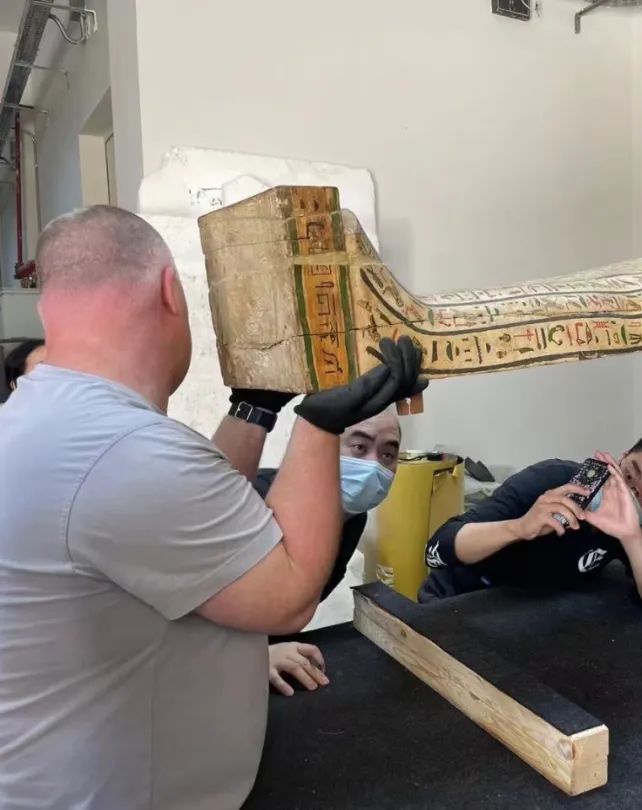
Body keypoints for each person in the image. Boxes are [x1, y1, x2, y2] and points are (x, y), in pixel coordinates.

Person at [0, 205, 425, 809]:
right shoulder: (123, 449)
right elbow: (288, 596)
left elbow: (200, 526)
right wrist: (319, 423)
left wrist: (256, 407)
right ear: (169, 292)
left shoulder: (50, 421)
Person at [212, 391, 401, 696]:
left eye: (388, 455)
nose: (373, 466)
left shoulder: (352, 519)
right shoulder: (257, 500)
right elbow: (188, 608)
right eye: (359, 447)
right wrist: (252, 657)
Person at [420, 430, 642, 618]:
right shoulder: (555, 481)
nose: (628, 495)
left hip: (522, 618)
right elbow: (436, 550)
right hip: (459, 602)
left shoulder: (639, 531)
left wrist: (631, 536)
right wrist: (520, 528)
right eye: (629, 476)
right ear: (620, 459)